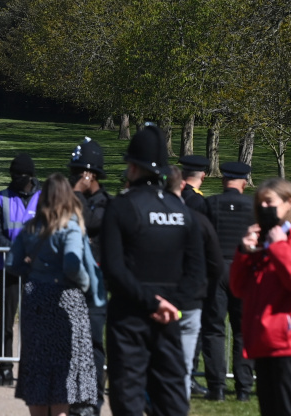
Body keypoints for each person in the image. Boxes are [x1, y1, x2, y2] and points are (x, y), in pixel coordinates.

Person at [100, 125, 205, 416]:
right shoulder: (182, 210)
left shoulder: (121, 207)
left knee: (128, 393)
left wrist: (151, 302)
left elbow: (114, 268)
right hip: (169, 315)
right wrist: (172, 304)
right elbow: (197, 270)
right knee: (170, 393)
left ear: (133, 167)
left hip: (130, 314)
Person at [6, 174, 101, 416]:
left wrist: (34, 271)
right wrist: (85, 282)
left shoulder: (31, 226)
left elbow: (11, 263)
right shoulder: (69, 226)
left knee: (37, 365)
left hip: (35, 298)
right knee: (64, 368)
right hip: (64, 300)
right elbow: (72, 264)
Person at [231, 178, 291, 416]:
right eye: (259, 203)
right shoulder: (263, 242)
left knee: (289, 409)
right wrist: (244, 252)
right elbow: (239, 289)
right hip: (264, 340)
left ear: (289, 203)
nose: (263, 208)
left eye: (269, 202)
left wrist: (280, 247)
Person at [165, 168, 223, 400]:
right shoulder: (197, 215)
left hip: (155, 294)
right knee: (188, 346)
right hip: (189, 295)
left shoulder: (142, 213)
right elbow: (215, 262)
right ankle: (183, 388)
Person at [203, 161, 255, 401]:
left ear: (224, 180)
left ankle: (217, 387)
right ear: (244, 182)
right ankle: (244, 389)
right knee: (244, 331)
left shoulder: (209, 203)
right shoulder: (254, 207)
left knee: (214, 330)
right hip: (244, 271)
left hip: (215, 271)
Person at [0, 153, 40, 387]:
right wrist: (20, 251)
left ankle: (33, 368)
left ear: (31, 176)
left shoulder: (45, 197)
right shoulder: (0, 199)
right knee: (7, 320)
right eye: (13, 175)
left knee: (36, 319)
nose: (16, 179)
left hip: (39, 270)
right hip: (9, 268)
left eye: (21, 175)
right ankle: (5, 369)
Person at [69, 137, 111, 416]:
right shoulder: (75, 199)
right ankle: (74, 398)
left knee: (93, 342)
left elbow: (84, 224)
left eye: (77, 172)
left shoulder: (106, 204)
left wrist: (76, 194)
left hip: (95, 286)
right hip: (70, 284)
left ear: (89, 173)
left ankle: (92, 400)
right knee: (71, 343)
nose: (73, 177)